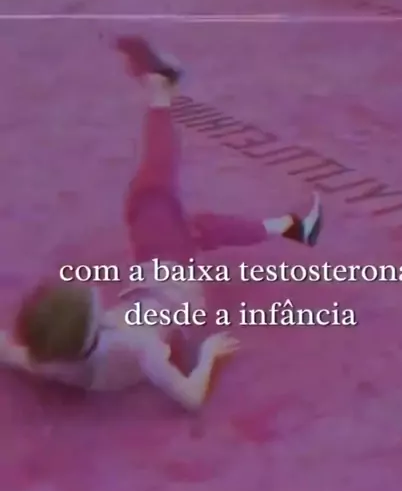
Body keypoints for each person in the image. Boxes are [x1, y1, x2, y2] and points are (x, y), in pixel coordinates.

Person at [0, 37, 323, 408]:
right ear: (96, 322)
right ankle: (160, 90)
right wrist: (209, 355)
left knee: (195, 226)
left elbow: (8, 349)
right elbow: (191, 397)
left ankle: (294, 227)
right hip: (171, 281)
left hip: (157, 285)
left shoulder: (50, 362)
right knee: (151, 192)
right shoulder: (140, 347)